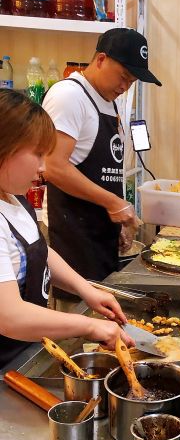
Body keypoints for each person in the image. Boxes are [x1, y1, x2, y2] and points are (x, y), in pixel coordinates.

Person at [0, 90, 133, 367]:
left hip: (23, 357)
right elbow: (9, 316)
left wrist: (86, 290)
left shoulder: (14, 200)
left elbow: (40, 251)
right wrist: (88, 326)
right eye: (37, 154)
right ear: (5, 148)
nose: (42, 167)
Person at [42, 28, 161, 289]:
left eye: (131, 82)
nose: (125, 86)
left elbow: (106, 172)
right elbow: (53, 167)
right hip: (74, 238)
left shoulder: (109, 102)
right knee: (76, 323)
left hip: (100, 236)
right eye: (123, 77)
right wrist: (113, 202)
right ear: (100, 60)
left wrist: (115, 220)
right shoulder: (69, 96)